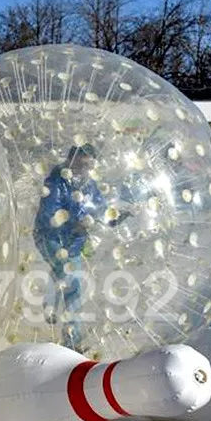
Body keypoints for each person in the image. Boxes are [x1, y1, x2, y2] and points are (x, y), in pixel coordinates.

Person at [33, 144, 130, 351]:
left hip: (75, 241)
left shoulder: (89, 184)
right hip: (50, 237)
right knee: (72, 282)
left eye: (89, 165)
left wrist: (116, 218)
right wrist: (73, 222)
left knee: (66, 278)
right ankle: (70, 336)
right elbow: (48, 214)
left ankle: (57, 316)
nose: (85, 168)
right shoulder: (56, 181)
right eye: (82, 163)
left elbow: (100, 209)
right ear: (72, 160)